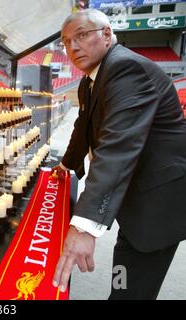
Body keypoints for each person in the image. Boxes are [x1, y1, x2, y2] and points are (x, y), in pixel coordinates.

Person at [52, 9, 186, 299]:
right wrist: (66, 164)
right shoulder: (92, 79)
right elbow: (82, 126)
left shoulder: (126, 69)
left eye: (82, 35)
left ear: (107, 35)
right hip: (133, 199)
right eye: (66, 41)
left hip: (157, 204)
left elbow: (118, 146)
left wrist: (84, 226)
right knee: (122, 280)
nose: (73, 47)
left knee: (130, 293)